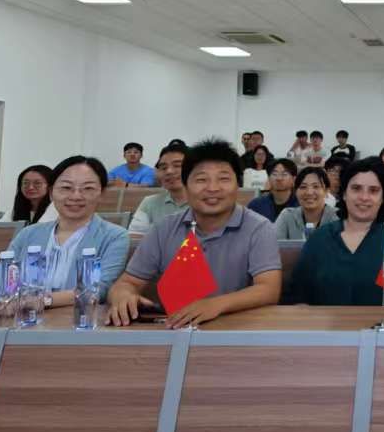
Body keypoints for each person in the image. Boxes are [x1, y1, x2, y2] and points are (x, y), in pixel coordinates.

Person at [109, 138, 282, 326]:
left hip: (237, 330)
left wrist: (215, 305)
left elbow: (269, 289)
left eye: (224, 179)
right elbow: (127, 283)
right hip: (174, 330)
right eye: (201, 180)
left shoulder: (259, 228)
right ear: (185, 186)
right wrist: (123, 296)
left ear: (238, 185)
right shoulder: (164, 228)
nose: (213, 188)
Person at [0, 155, 129, 318]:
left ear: (102, 194)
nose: (76, 196)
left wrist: (34, 301)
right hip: (22, 321)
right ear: (51, 193)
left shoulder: (114, 236)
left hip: (79, 323)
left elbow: (98, 290)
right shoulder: (29, 234)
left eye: (87, 189)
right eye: (66, 187)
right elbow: (1, 284)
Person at [286, 156, 384, 305]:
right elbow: (297, 297)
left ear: (383, 198)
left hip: (383, 320)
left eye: (373, 190)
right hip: (326, 320)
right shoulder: (320, 238)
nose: (364, 197)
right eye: (356, 188)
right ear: (344, 193)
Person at [129, 141, 190, 232]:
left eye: (177, 165)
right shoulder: (150, 203)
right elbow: (135, 236)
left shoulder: (206, 202)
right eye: (164, 168)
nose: (169, 171)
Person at [275, 166, 330, 239]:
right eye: (303, 187)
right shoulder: (287, 216)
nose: (309, 192)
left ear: (326, 191)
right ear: (295, 191)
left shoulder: (338, 217)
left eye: (316, 186)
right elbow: (272, 244)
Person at [248, 156, 300, 222]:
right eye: (275, 174)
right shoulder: (256, 205)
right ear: (269, 178)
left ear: (294, 179)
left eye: (284, 174)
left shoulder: (301, 205)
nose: (279, 178)